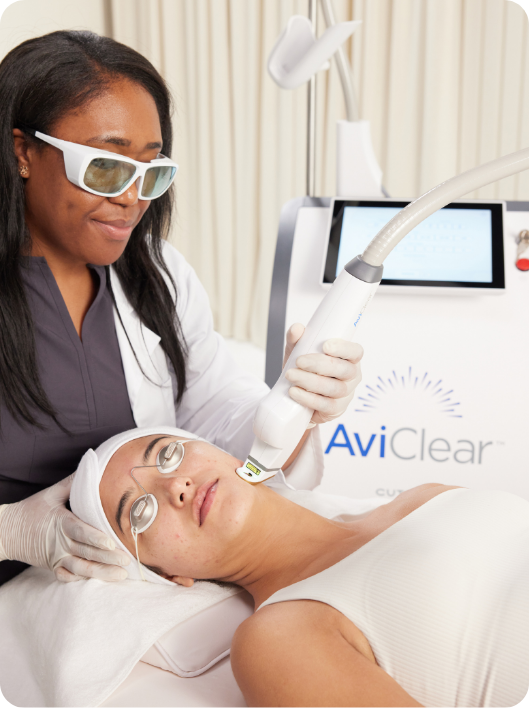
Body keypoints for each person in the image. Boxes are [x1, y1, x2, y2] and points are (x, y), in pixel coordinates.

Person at [0, 30, 364, 586]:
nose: (131, 199)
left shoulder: (157, 272)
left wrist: (293, 406)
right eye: (104, 168)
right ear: (23, 151)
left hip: (147, 585)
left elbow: (211, 412)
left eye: (151, 172)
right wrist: (10, 532)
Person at [72, 428, 529, 708]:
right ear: (170, 576)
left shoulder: (422, 497)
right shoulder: (277, 640)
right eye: (141, 512)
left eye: (168, 454)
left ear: (222, 451)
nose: (177, 484)